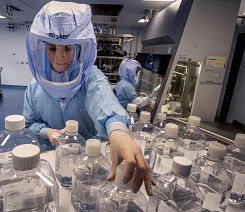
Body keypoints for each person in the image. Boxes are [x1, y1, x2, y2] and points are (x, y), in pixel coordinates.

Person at [23, 1, 154, 196]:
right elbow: (29, 124)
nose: (60, 58)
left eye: (68, 49)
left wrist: (118, 131)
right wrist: (46, 131)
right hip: (52, 165)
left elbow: (103, 98)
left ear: (80, 48)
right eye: (52, 49)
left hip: (88, 167)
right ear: (41, 49)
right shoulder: (34, 89)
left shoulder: (89, 77)